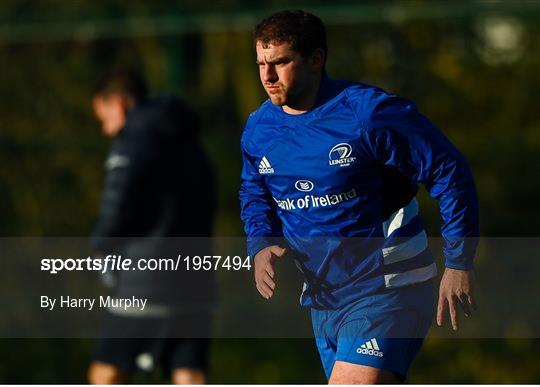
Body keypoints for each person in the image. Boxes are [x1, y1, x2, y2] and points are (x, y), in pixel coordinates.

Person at [239, 10, 479, 384]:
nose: (267, 76)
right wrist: (260, 242)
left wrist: (459, 262)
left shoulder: (368, 113)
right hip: (322, 300)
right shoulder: (260, 128)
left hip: (387, 286)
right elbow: (254, 190)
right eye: (261, 64)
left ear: (316, 59)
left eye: (281, 62)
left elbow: (448, 168)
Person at [89, 70, 216, 384]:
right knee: (188, 370)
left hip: (143, 280)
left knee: (106, 370)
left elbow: (116, 207)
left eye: (103, 117)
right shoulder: (191, 142)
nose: (106, 130)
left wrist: (99, 246)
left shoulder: (132, 141)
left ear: (118, 104)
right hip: (196, 278)